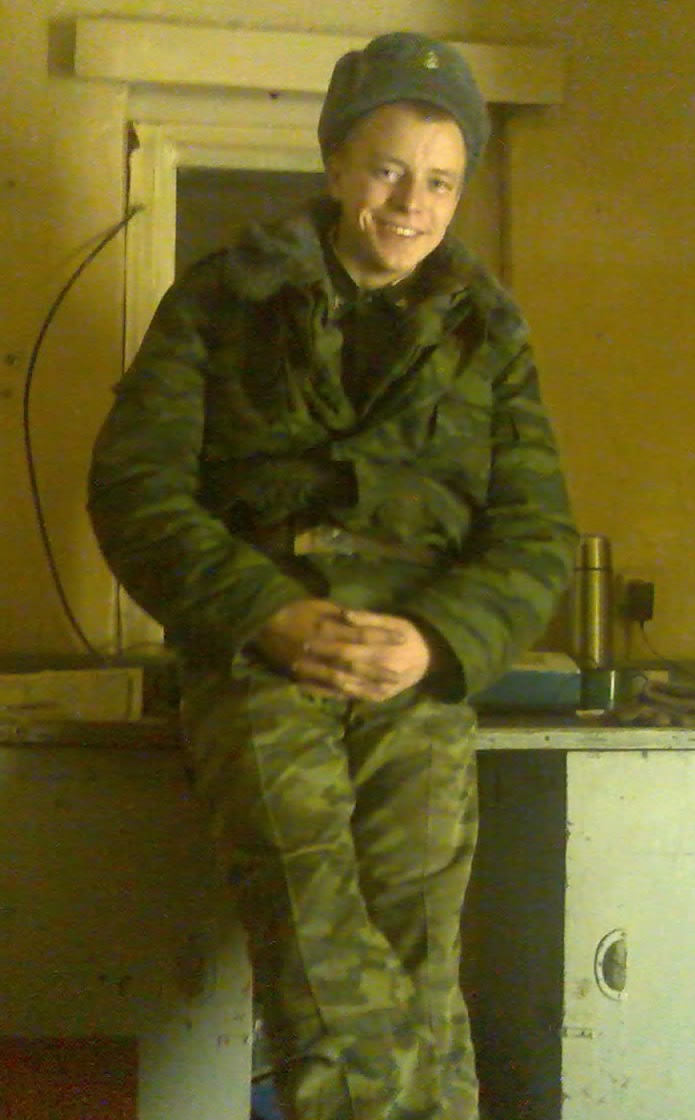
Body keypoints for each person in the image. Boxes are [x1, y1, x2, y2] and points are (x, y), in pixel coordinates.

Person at [88, 30, 577, 1120]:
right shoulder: (222, 301)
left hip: (414, 663)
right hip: (261, 657)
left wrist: (436, 641)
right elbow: (134, 489)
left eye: (439, 180)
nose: (411, 204)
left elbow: (535, 531)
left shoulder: (487, 330)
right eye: (387, 170)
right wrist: (267, 613)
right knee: (315, 926)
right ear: (335, 165)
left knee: (416, 942)